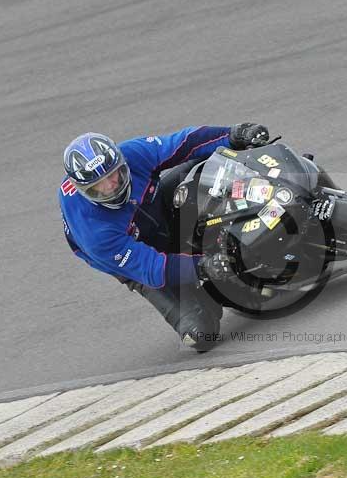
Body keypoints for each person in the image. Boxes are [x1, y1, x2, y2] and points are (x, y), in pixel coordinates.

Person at [58, 123, 270, 351]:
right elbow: (153, 266)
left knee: (209, 163)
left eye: (114, 175)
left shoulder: (132, 153)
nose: (111, 186)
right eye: (98, 187)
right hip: (136, 256)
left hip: (155, 207)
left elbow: (184, 144)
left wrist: (234, 134)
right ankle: (210, 289)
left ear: (121, 162)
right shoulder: (94, 232)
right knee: (200, 335)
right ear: (83, 190)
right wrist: (205, 266)